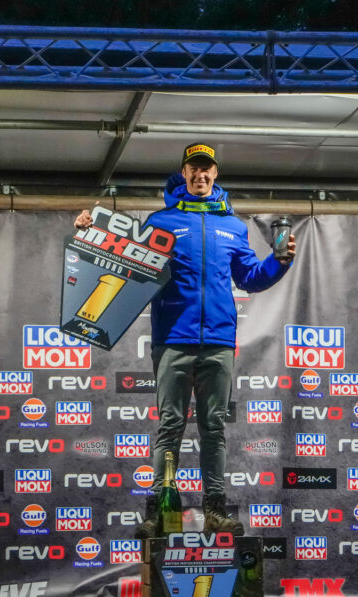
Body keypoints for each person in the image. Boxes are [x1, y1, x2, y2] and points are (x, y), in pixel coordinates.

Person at [75, 143, 296, 538]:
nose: (200, 175)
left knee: (213, 429)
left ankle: (215, 511)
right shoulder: (160, 222)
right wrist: (90, 233)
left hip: (218, 341)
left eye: (207, 168)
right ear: (184, 173)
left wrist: (280, 262)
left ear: (215, 174)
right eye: (193, 168)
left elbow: (249, 277)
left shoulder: (233, 226)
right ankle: (162, 512)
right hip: (173, 339)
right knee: (170, 426)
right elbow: (123, 261)